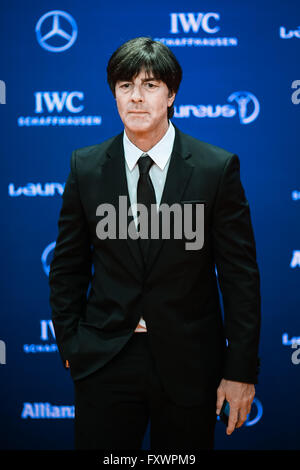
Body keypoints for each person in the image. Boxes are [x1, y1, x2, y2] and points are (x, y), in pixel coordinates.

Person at [49, 36, 261, 451]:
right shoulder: (86, 166)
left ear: (172, 94)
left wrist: (240, 371)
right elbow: (67, 268)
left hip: (189, 362)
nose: (136, 98)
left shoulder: (216, 169)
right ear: (113, 94)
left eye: (149, 85)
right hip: (106, 359)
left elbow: (240, 279)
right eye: (125, 85)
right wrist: (72, 343)